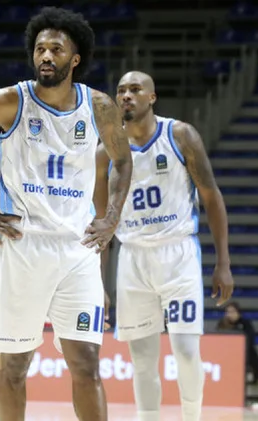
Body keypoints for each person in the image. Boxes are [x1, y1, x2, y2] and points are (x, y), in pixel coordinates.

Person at [0, 7, 133, 421]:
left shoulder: (99, 106)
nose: (46, 56)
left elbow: (123, 161)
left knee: (85, 364)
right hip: (22, 247)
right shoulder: (9, 101)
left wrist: (112, 216)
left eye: (56, 50)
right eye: (40, 49)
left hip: (78, 250)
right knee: (14, 366)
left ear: (74, 59)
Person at [93, 71, 234, 421]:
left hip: (178, 253)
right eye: (121, 90)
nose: (126, 95)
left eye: (135, 89)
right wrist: (98, 284)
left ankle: (192, 416)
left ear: (152, 97)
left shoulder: (180, 135)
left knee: (185, 350)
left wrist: (223, 263)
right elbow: (101, 224)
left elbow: (212, 197)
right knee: (141, 359)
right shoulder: (104, 152)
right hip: (132, 258)